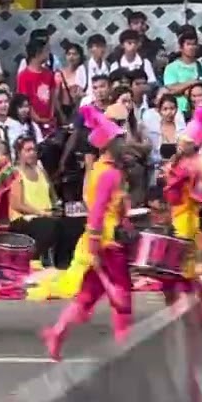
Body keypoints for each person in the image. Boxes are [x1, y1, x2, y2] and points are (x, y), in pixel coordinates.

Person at [41, 105, 134, 360]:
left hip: (104, 239)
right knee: (122, 296)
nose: (122, 142)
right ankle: (124, 348)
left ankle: (57, 332)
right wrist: (95, 243)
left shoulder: (106, 171)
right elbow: (97, 212)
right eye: (118, 139)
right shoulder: (107, 174)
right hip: (107, 242)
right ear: (108, 145)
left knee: (88, 295)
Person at [162, 104, 202, 322]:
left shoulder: (198, 165)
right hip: (178, 216)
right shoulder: (181, 162)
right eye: (180, 141)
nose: (180, 144)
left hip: (186, 220)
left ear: (194, 145)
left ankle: (190, 308)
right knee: (185, 270)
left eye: (185, 142)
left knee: (180, 269)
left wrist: (186, 184)